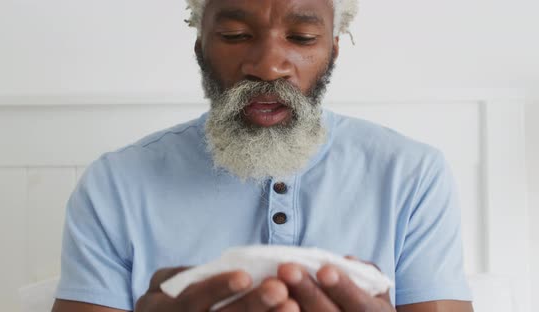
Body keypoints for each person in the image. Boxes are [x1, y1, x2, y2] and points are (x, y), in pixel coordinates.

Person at [52, 0, 474, 311]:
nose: (269, 66)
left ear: (334, 49)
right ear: (200, 46)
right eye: (235, 36)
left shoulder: (412, 175)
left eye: (302, 38)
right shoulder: (115, 184)